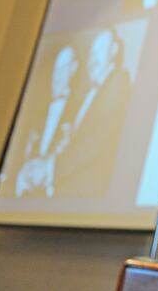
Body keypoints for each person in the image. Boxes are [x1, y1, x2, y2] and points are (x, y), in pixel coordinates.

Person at [53, 28, 132, 197]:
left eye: (100, 50)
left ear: (114, 51)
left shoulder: (119, 84)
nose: (93, 59)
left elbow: (98, 142)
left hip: (90, 192)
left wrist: (54, 166)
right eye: (92, 53)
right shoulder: (86, 93)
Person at [14, 46, 79, 197]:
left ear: (74, 69)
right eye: (55, 70)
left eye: (63, 69)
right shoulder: (38, 111)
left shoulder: (78, 108)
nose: (57, 76)